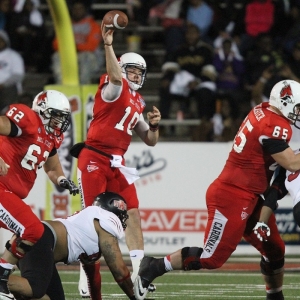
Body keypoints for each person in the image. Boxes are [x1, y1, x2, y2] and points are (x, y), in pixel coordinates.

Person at [134, 79, 300, 300]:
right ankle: (154, 266)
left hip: (250, 195)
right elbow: (292, 163)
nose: (298, 112)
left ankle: (275, 296)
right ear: (286, 102)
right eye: (298, 106)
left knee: (275, 249)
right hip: (232, 195)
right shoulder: (274, 125)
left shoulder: (263, 110)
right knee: (212, 259)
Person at [71, 19, 161, 298]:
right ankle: (86, 279)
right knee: (92, 220)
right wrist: (108, 45)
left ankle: (138, 272)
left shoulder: (138, 101)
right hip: (95, 159)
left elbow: (150, 140)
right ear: (121, 70)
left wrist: (155, 125)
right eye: (130, 71)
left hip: (117, 163)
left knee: (132, 212)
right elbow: (115, 79)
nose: (134, 76)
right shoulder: (113, 88)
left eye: (138, 73)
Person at [0, 89, 79, 300]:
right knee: (33, 229)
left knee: (26, 231)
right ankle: (1, 276)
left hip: (9, 193)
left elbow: (52, 166)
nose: (60, 121)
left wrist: (62, 180)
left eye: (63, 117)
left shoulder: (51, 137)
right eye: (57, 115)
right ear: (43, 111)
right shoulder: (28, 119)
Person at [7, 192, 136, 300]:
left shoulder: (91, 227)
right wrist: (135, 296)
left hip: (38, 240)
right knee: (35, 288)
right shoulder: (106, 221)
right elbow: (119, 271)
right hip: (39, 238)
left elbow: (93, 276)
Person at [51, 0, 102, 84]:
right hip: (70, 56)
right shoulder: (65, 25)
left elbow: (91, 46)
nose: (77, 11)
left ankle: (83, 87)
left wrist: (71, 47)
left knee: (86, 57)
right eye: (75, 9)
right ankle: (61, 87)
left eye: (80, 9)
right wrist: (73, 49)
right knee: (57, 56)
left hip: (90, 57)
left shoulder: (93, 25)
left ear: (85, 10)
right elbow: (56, 44)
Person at [0, 30, 24, 115]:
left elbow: (18, 76)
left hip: (8, 88)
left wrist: (3, 85)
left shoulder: (13, 55)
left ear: (5, 41)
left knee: (9, 90)